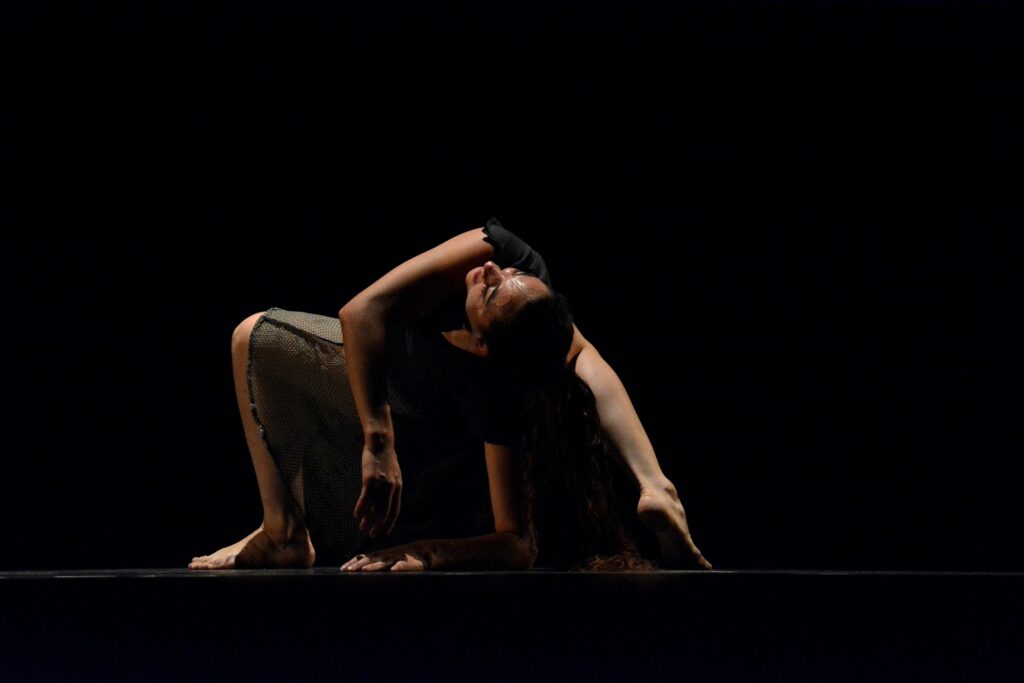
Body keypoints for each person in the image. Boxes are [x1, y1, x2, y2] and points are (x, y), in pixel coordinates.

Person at [189, 218, 711, 572]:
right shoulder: (507, 255)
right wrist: (378, 442)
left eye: (492, 289)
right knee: (256, 340)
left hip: (431, 417)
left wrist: (429, 552)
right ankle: (654, 483)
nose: (492, 269)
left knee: (566, 353)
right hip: (384, 376)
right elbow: (361, 313)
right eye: (511, 274)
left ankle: (285, 534)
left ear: (482, 343)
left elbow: (516, 541)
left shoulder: (500, 390)